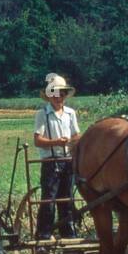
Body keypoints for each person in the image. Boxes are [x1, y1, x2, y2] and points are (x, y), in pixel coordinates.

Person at [33, 72, 81, 240]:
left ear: (65, 95)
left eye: (61, 93)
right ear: (49, 96)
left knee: (67, 199)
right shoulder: (42, 114)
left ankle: (68, 234)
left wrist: (70, 141)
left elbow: (76, 135)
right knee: (49, 200)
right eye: (54, 93)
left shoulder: (70, 113)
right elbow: (37, 140)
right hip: (50, 161)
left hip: (67, 161)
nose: (58, 97)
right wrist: (56, 142)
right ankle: (44, 234)